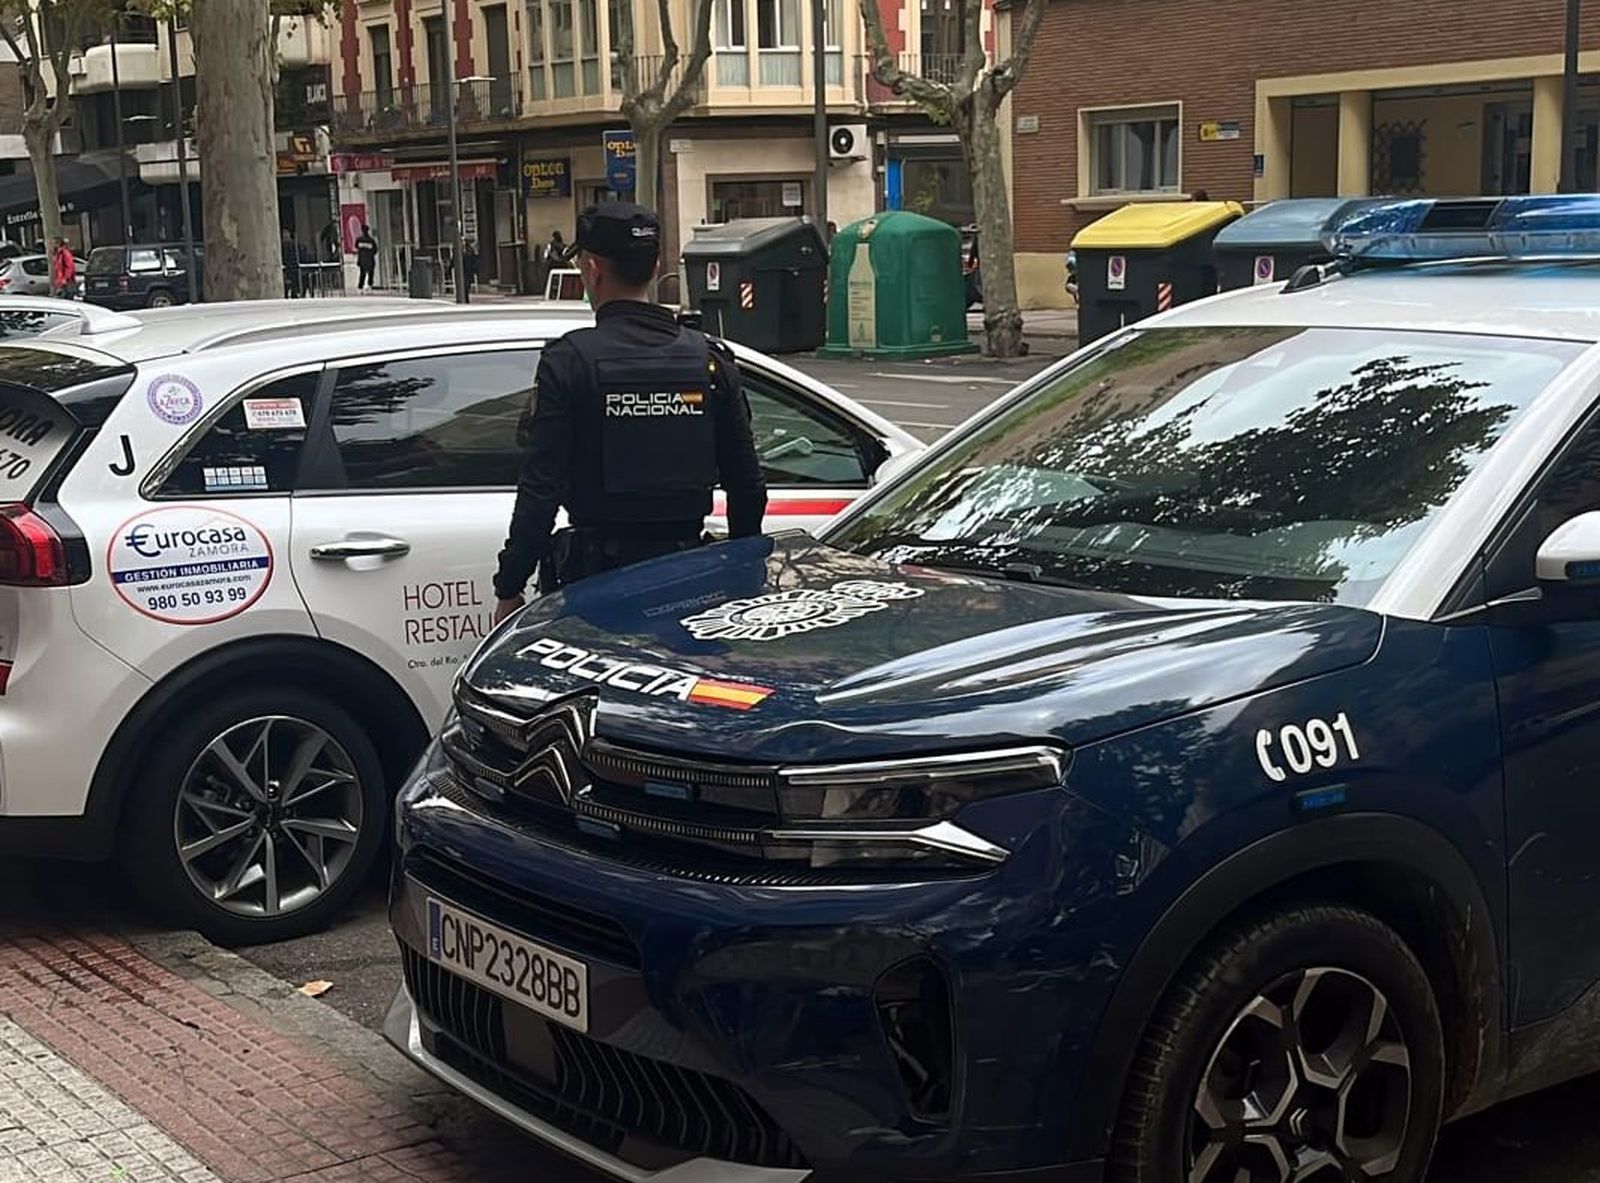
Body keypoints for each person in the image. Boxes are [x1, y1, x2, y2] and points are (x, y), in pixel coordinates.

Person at [492, 203, 767, 621]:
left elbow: (539, 492)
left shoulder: (570, 361)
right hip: (689, 585)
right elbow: (747, 486)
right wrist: (743, 578)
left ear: (591, 269)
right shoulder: (708, 360)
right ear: (656, 267)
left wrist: (510, 587)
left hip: (596, 591)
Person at [355, 223, 378, 290]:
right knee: (371, 273)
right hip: (370, 260)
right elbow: (375, 250)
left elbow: (356, 247)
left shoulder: (359, 240)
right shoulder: (371, 240)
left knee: (362, 273)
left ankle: (360, 286)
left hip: (362, 260)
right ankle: (369, 285)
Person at [281, 228, 302, 299]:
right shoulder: (294, 245)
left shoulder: (286, 246)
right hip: (292, 266)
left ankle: (293, 292)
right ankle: (294, 292)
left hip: (290, 266)